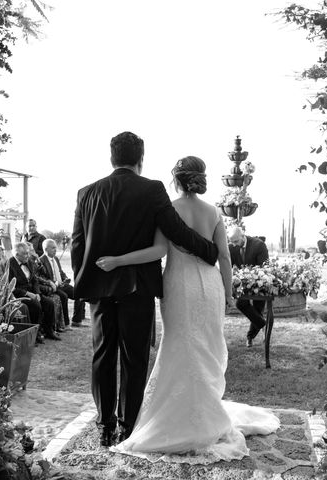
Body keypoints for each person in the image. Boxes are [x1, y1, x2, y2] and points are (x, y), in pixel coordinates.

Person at [96, 156, 279, 463]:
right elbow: (224, 258)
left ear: (177, 180)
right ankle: (205, 415)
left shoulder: (169, 210)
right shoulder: (214, 212)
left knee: (180, 345)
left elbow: (157, 251)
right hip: (209, 288)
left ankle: (177, 417)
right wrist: (229, 293)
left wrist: (118, 260)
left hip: (179, 285)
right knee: (206, 348)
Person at [71, 132, 219, 448]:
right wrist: (209, 250)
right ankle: (127, 427)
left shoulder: (86, 193)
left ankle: (104, 426)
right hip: (137, 288)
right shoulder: (152, 189)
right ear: (141, 159)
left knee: (102, 356)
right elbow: (175, 230)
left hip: (100, 287)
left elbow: (78, 245)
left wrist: (84, 286)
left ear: (112, 158)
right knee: (134, 357)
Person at [8, 243, 61, 341]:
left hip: (33, 292)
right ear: (16, 255)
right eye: (25, 254)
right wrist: (27, 294)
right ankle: (35, 334)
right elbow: (11, 287)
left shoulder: (28, 262)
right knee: (36, 306)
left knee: (49, 303)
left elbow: (34, 280)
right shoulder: (10, 264)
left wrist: (37, 293)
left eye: (28, 253)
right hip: (20, 295)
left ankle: (49, 331)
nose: (28, 256)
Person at [227, 226, 269, 347]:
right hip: (243, 283)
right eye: (231, 241)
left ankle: (250, 337)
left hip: (260, 282)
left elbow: (264, 267)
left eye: (235, 241)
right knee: (241, 304)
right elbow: (228, 265)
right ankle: (263, 324)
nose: (234, 244)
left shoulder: (258, 245)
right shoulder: (232, 247)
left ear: (242, 235)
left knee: (257, 309)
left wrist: (252, 278)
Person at [39, 238, 87, 329]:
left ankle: (76, 320)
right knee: (63, 296)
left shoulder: (56, 258)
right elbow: (43, 278)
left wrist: (65, 278)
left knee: (79, 293)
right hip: (53, 286)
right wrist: (54, 283)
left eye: (55, 248)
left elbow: (61, 272)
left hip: (62, 284)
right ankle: (66, 324)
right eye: (53, 248)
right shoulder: (41, 261)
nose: (55, 250)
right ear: (46, 249)